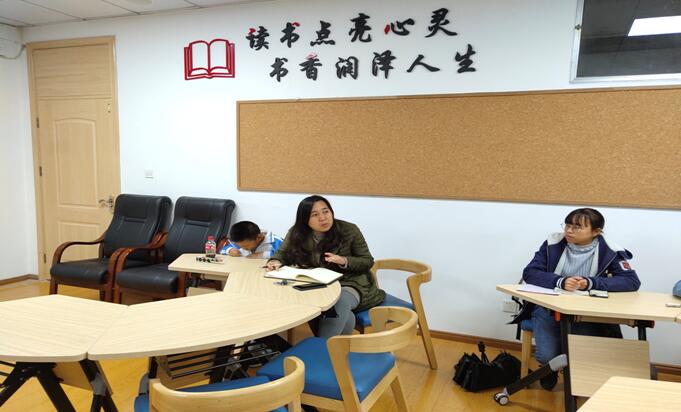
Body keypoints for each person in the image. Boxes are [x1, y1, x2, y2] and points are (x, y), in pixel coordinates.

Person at [520, 207, 640, 390]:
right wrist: (559, 281)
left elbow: (631, 281)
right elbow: (530, 272)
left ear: (596, 232)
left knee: (580, 352)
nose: (569, 230)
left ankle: (578, 379)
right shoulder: (552, 243)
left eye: (577, 227)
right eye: (567, 225)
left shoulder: (611, 250)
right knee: (546, 356)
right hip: (548, 307)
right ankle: (548, 369)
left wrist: (591, 283)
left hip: (585, 311)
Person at [266, 195, 385, 337]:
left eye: (325, 211)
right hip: (316, 283)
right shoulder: (296, 232)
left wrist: (343, 260)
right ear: (304, 219)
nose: (323, 218)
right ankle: (339, 347)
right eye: (315, 215)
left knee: (338, 302)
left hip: (351, 283)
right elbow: (282, 253)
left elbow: (367, 261)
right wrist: (275, 261)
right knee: (335, 314)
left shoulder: (349, 230)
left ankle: (322, 346)